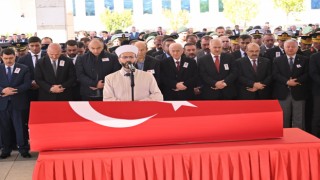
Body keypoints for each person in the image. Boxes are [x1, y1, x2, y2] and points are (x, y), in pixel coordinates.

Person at [0, 48, 31, 158]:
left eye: (11, 58)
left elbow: (27, 84)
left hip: (18, 103)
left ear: (15, 57)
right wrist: (3, 91)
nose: (8, 61)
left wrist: (12, 91)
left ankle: (23, 149)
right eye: (6, 58)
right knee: (4, 128)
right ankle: (6, 150)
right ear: (2, 58)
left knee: (20, 127)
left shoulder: (23, 68)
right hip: (3, 104)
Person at [273, 39, 309, 130]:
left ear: (297, 48)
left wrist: (296, 81)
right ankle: (284, 138)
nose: (290, 48)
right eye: (288, 47)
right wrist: (287, 82)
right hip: (283, 93)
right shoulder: (277, 60)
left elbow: (307, 74)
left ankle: (299, 138)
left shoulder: (304, 59)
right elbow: (275, 74)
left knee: (299, 118)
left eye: (293, 46)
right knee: (284, 118)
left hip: (299, 92)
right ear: (284, 48)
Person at [18, 36, 46, 102]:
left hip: (45, 90)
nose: (34, 48)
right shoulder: (22, 60)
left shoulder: (48, 56)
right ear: (28, 46)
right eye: (32, 45)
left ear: (41, 45)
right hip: (29, 91)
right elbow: (19, 76)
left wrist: (41, 83)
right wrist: (30, 82)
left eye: (37, 45)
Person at [310, 51, 320, 137]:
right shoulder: (314, 57)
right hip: (318, 92)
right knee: (317, 115)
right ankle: (315, 138)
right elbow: (313, 73)